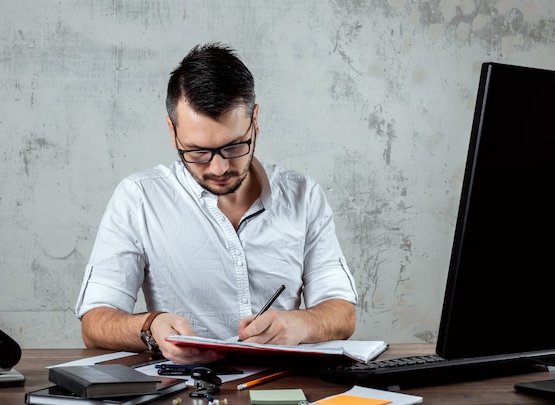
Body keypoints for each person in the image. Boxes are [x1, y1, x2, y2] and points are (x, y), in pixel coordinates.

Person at [75, 43, 357, 364]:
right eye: (197, 152)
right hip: (183, 396)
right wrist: (150, 326)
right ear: (172, 132)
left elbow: (343, 312)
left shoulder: (303, 195)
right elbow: (94, 323)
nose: (218, 168)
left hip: (279, 390)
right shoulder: (138, 198)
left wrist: (301, 323)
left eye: (234, 146)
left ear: (255, 121)